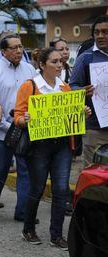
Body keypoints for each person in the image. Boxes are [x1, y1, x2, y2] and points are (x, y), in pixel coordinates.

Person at [14, 48, 92, 250]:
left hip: (62, 146)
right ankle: (28, 229)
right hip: (39, 146)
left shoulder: (64, 87)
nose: (60, 65)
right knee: (37, 188)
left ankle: (56, 235)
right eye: (55, 62)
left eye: (60, 62)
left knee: (60, 189)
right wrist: (25, 119)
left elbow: (72, 117)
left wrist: (82, 112)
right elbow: (17, 116)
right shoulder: (29, 86)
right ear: (42, 65)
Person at [0, 34, 37, 222]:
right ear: (4, 52)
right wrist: (10, 127)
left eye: (20, 46)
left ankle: (23, 212)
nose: (19, 51)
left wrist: (25, 125)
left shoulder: (30, 70)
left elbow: (36, 98)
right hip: (0, 132)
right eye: (13, 48)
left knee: (26, 172)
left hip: (25, 130)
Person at [70, 15, 108, 167]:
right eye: (97, 32)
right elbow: (72, 87)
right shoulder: (85, 58)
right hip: (94, 129)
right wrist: (81, 92)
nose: (100, 36)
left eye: (105, 32)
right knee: (93, 174)